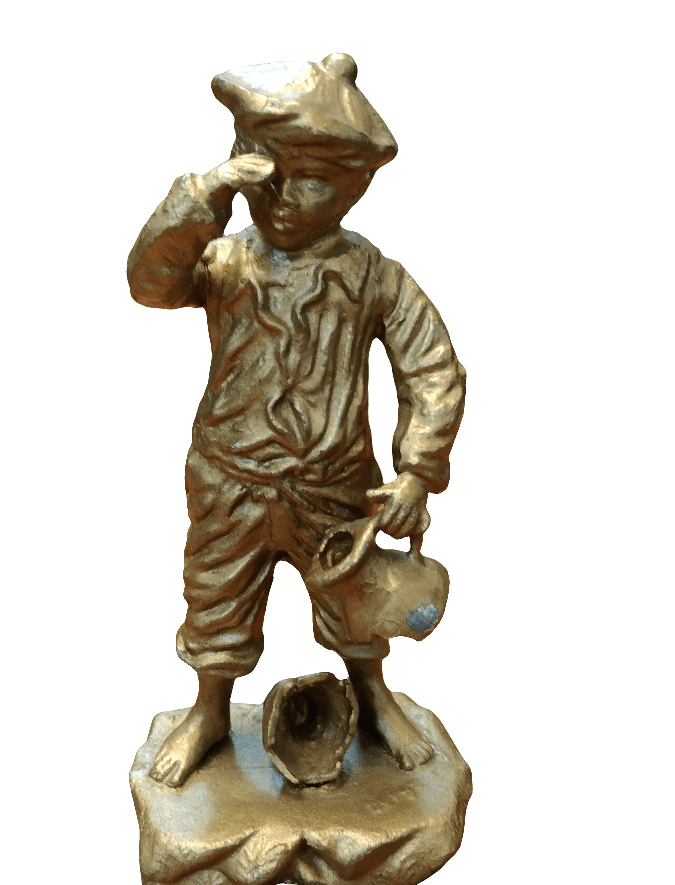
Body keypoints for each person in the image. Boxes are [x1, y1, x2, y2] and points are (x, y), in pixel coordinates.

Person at [127, 53, 466, 787]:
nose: (281, 196)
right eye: (264, 169)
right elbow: (150, 282)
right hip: (231, 475)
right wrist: (204, 194)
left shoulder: (373, 275)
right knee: (216, 596)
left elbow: (431, 367)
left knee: (357, 602)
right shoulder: (224, 259)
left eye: (312, 179)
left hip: (334, 484)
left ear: (356, 186)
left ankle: (373, 698)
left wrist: (417, 470)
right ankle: (209, 710)